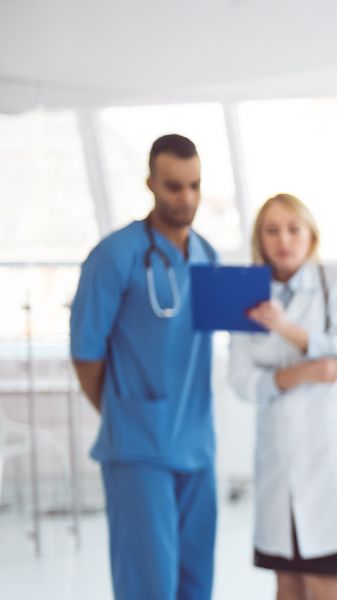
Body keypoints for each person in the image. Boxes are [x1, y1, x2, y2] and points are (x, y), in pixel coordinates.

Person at [70, 134, 219, 600]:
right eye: (174, 186)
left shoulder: (208, 256)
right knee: (149, 588)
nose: (186, 197)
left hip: (197, 446)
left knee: (196, 586)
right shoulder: (115, 255)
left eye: (194, 185)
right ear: (151, 183)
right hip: (138, 450)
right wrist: (123, 411)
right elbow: (86, 353)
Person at [228, 194, 337, 600]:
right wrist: (300, 373)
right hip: (279, 460)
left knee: (321, 581)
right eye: (272, 230)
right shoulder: (245, 292)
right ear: (259, 239)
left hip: (329, 459)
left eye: (293, 229)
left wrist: (283, 327)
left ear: (311, 235)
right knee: (287, 583)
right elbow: (242, 379)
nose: (284, 240)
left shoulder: (334, 281)